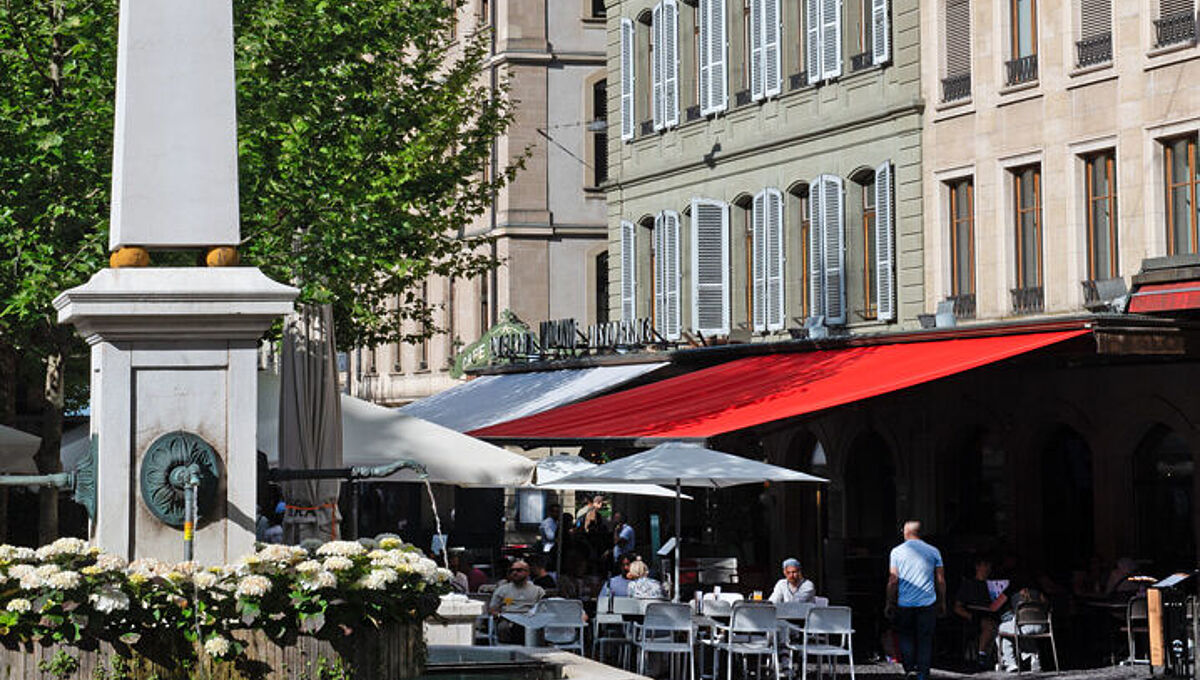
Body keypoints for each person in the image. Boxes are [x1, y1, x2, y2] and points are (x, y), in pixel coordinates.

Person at [886, 520, 945, 680]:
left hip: (905, 603)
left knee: (906, 637)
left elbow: (893, 580)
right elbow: (940, 580)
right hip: (927, 602)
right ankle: (923, 673)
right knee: (925, 639)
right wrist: (942, 601)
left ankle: (909, 669)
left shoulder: (896, 552)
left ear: (906, 532)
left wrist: (890, 602)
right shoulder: (934, 551)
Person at [953, 556, 1007, 670]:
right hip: (974, 617)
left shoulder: (994, 586)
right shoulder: (968, 585)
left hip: (993, 615)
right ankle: (981, 656)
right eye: (985, 565)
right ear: (977, 566)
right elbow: (957, 607)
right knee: (989, 625)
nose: (988, 569)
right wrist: (970, 616)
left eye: (989, 566)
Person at [488, 560, 546, 644]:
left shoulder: (538, 590)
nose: (514, 573)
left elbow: (544, 609)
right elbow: (492, 609)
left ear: (527, 572)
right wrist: (500, 616)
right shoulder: (502, 590)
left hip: (530, 619)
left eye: (519, 570)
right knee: (503, 627)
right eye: (512, 570)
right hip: (508, 619)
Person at [997, 586, 1048, 672]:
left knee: (1001, 630)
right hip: (1041, 626)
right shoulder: (1039, 592)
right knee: (1013, 633)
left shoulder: (1013, 591)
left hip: (1023, 626)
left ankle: (1011, 662)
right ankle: (1033, 657)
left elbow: (994, 607)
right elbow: (1047, 607)